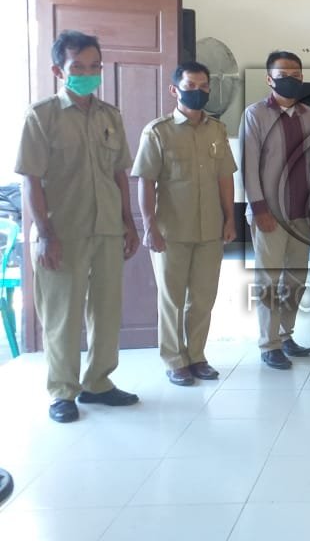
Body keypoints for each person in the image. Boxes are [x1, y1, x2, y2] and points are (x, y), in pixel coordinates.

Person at [16, 30, 140, 422]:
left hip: (107, 228)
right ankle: (62, 392)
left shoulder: (110, 116)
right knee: (62, 316)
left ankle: (98, 383)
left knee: (106, 311)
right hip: (62, 233)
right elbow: (31, 180)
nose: (88, 74)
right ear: (59, 70)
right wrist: (45, 235)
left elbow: (119, 173)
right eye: (78, 67)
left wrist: (129, 222)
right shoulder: (42, 116)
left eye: (94, 66)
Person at [133, 62, 237, 386]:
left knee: (203, 298)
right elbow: (145, 181)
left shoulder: (217, 130)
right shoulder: (157, 131)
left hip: (210, 228)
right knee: (172, 299)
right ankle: (174, 359)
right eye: (190, 86)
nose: (198, 92)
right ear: (174, 90)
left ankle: (196, 356)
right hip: (171, 231)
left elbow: (225, 178)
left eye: (203, 86)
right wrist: (149, 226)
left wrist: (230, 218)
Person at [241, 51, 310, 370]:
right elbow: (249, 166)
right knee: (269, 281)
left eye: (296, 75)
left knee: (296, 280)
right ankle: (269, 343)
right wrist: (259, 208)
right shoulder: (255, 114)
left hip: (301, 212)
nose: (291, 80)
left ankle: (286, 336)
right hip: (269, 214)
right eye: (283, 75)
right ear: (269, 79)